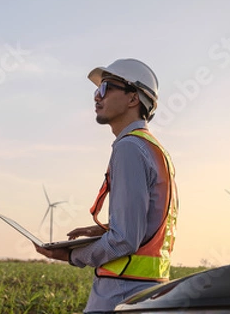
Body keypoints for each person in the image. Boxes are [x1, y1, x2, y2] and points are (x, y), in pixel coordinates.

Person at [34, 58, 178, 313]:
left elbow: (124, 241)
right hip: (147, 290)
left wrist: (70, 255)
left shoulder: (129, 148)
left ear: (133, 98)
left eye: (106, 88)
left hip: (120, 292)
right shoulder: (154, 149)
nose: (96, 96)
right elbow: (148, 224)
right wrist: (104, 230)